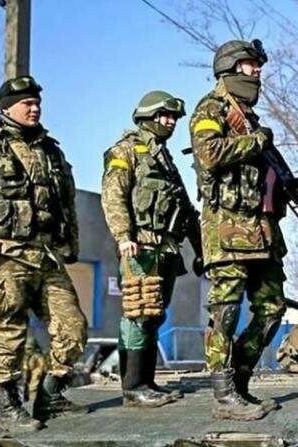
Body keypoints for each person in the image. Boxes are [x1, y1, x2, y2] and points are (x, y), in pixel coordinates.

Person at [0, 75, 88, 432]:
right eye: (27, 103)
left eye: (37, 102)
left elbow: (66, 203)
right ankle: (10, 407)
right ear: (7, 108)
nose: (35, 108)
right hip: (7, 256)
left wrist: (70, 246)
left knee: (73, 327)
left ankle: (50, 394)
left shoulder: (51, 151)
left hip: (46, 255)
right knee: (9, 332)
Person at [190, 39, 298, 420]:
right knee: (225, 311)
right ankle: (223, 396)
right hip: (227, 230)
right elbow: (209, 153)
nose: (257, 71)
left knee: (272, 309)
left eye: (258, 65)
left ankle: (239, 382)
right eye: (250, 64)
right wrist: (256, 141)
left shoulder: (251, 119)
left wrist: (290, 187)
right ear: (229, 67)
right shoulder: (211, 109)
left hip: (262, 231)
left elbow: (262, 174)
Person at [101, 90, 202, 408]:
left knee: (155, 314)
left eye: (174, 118)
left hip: (167, 248)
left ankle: (147, 382)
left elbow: (185, 208)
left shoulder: (165, 158)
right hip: (140, 246)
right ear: (148, 116)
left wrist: (200, 249)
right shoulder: (126, 150)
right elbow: (113, 196)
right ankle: (133, 387)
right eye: (165, 116)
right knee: (139, 313)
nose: (171, 122)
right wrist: (123, 236)